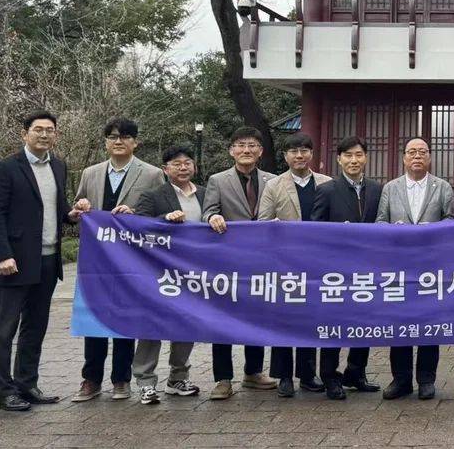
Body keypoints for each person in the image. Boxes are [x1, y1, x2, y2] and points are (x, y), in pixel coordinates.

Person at [0, 111, 90, 411]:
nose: (44, 135)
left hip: (47, 260)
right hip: (14, 262)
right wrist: (3, 255)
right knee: (5, 329)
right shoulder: (5, 168)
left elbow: (55, 207)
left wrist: (71, 214)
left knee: (35, 327)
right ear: (24, 134)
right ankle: (4, 391)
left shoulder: (57, 165)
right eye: (38, 129)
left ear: (56, 134)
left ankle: (27, 384)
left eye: (50, 130)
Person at [71, 117, 166, 403]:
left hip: (131, 259)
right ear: (106, 142)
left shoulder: (152, 174)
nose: (118, 141)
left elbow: (160, 214)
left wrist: (135, 214)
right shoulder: (90, 173)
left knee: (126, 315)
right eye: (112, 136)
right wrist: (79, 208)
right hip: (96, 259)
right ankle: (91, 379)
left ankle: (121, 379)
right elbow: (78, 211)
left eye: (125, 136)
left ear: (136, 142)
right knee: (93, 314)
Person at [375, 136, 454, 400]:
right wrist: (393, 229)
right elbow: (380, 222)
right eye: (412, 152)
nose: (417, 156)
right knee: (400, 323)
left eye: (422, 151)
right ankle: (401, 379)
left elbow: (451, 221)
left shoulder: (442, 187)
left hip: (431, 266)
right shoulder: (390, 188)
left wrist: (433, 229)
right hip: (398, 267)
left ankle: (426, 380)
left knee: (429, 323)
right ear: (404, 158)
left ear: (430, 157)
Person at [201, 126, 277, 399]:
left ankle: (253, 372)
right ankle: (223, 379)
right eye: (241, 145)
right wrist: (212, 217)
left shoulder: (273, 180)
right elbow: (208, 211)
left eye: (252, 145)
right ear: (231, 151)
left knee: (256, 317)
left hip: (262, 261)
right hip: (227, 262)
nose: (246, 150)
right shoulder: (217, 180)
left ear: (260, 151)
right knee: (222, 320)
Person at [130, 144, 207, 405]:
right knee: (152, 326)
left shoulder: (205, 194)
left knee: (187, 324)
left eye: (187, 162)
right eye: (176, 163)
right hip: (159, 273)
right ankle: (145, 382)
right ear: (165, 169)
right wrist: (164, 218)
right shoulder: (152, 196)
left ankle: (178, 378)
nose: (183, 167)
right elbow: (139, 228)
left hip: (194, 273)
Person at [258, 133, 332, 398]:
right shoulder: (274, 185)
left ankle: (308, 374)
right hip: (284, 263)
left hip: (317, 263)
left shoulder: (326, 183)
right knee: (284, 319)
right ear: (285, 156)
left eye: (304, 150)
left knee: (310, 319)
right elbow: (263, 222)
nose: (299, 155)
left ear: (312, 153)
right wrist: (272, 227)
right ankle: (284, 376)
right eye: (293, 151)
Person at [312, 136, 382, 400]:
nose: (354, 160)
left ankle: (356, 372)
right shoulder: (327, 190)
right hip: (336, 270)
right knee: (334, 324)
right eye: (348, 155)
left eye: (359, 155)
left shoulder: (377, 189)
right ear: (339, 159)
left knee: (364, 322)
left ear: (366, 158)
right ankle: (330, 376)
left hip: (368, 268)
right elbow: (315, 228)